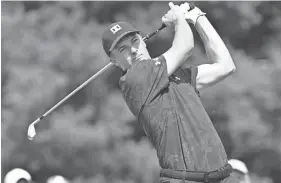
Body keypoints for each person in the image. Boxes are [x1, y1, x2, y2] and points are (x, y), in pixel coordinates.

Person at [101, 2, 237, 183]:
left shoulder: (175, 74)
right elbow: (185, 47)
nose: (133, 50)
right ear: (115, 61)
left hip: (220, 178)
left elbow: (225, 66)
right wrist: (179, 18)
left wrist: (197, 18)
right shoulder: (134, 79)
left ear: (143, 40)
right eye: (123, 49)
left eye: (135, 41)